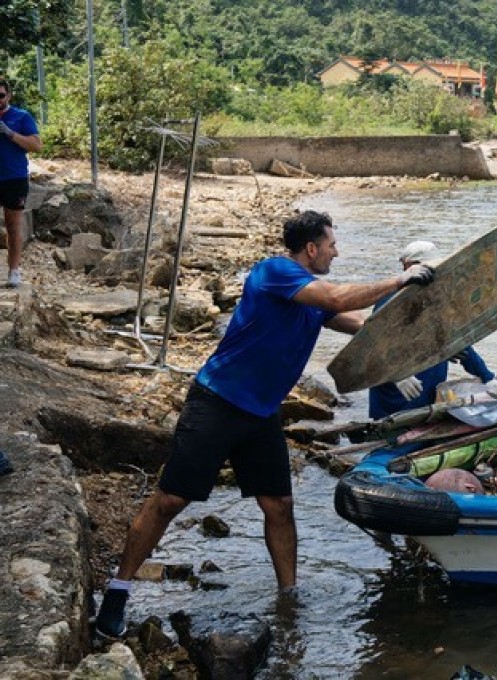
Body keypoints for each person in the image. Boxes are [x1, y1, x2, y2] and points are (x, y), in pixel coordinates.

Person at [93, 210, 435, 639]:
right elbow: (336, 299)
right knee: (170, 501)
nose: (336, 251)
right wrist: (400, 280)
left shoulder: (309, 300)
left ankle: (288, 596)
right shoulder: (274, 272)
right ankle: (118, 589)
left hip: (261, 415)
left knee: (279, 506)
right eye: (331, 244)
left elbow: (360, 323)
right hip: (217, 402)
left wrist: (399, 354)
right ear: (311, 249)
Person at [367, 240, 497, 419]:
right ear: (407, 267)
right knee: (394, 437)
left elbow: (459, 342)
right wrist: (397, 375)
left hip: (427, 396)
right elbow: (371, 349)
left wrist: (488, 378)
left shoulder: (437, 299)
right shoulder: (388, 300)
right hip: (395, 399)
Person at [0, 77, 42, 288]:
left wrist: (9, 133)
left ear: (8, 96)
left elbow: (36, 145)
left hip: (13, 178)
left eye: (0, 95)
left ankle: (14, 270)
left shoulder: (21, 116)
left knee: (13, 226)